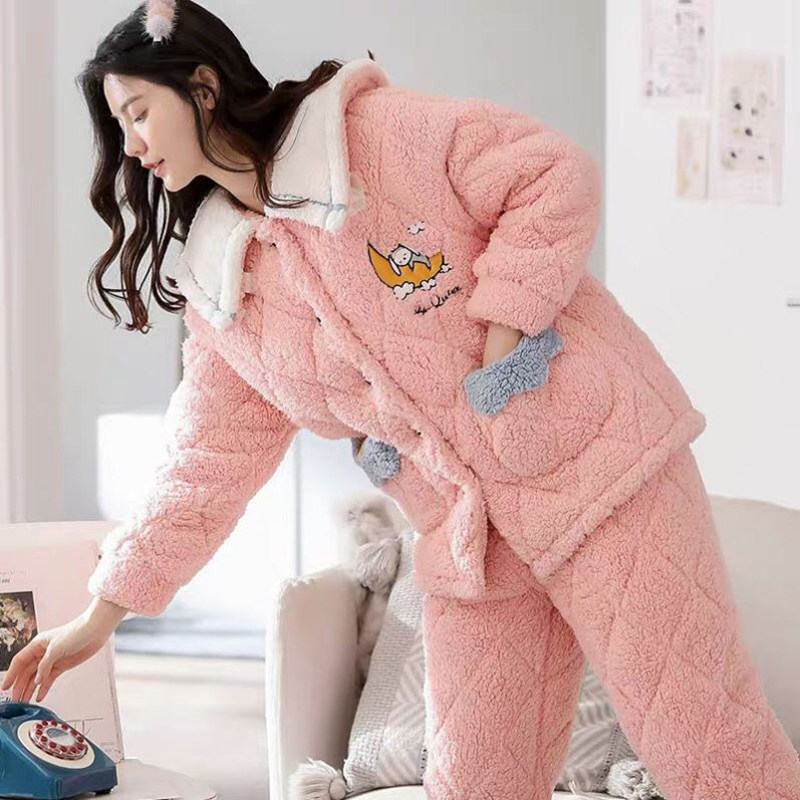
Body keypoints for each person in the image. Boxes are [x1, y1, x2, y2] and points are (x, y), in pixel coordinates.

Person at [3, 2, 798, 798]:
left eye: (138, 112)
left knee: (706, 748)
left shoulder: (371, 137)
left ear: (202, 87)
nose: (131, 145)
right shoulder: (225, 291)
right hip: (470, 536)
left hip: (602, 466)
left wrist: (505, 343)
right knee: (474, 781)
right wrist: (100, 617)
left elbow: (549, 172)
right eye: (119, 125)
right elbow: (201, 468)